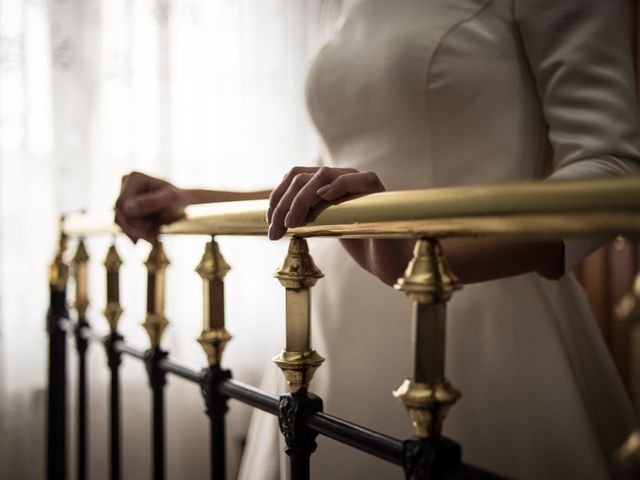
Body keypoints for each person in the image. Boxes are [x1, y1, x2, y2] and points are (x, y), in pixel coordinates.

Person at [115, 0, 640, 478]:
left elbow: (613, 170)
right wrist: (191, 198)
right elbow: (332, 182)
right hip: (329, 325)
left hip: (474, 326)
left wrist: (424, 265)